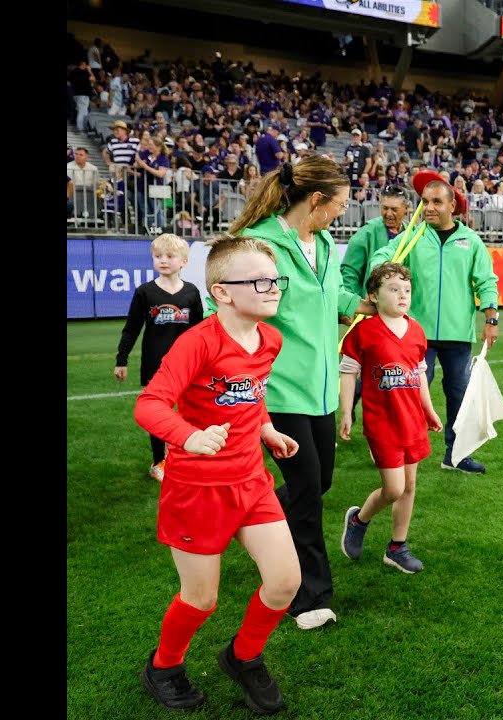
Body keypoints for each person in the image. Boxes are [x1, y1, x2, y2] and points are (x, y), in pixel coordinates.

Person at [133, 235, 301, 714]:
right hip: (197, 489)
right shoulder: (197, 343)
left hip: (251, 480)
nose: (273, 289)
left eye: (276, 281)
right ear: (223, 292)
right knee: (201, 599)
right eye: (261, 281)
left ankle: (244, 658)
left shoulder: (271, 338)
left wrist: (266, 428)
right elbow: (150, 404)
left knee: (285, 582)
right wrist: (187, 436)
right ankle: (163, 665)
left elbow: (250, 392)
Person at [227, 155, 367, 630]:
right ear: (317, 200)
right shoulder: (261, 245)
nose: (343, 213)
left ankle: (254, 521)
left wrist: (362, 304)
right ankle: (307, 597)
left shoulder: (324, 241)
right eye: (341, 204)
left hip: (322, 390)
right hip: (279, 391)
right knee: (309, 494)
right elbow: (222, 300)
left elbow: (329, 299)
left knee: (319, 483)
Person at [368, 172, 498, 474]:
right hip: (416, 335)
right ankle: (398, 452)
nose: (429, 207)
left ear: (452, 206)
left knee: (459, 396)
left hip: (458, 335)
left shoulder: (471, 242)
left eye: (437, 202)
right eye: (425, 202)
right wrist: (380, 265)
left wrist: (491, 317)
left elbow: (486, 281)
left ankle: (456, 455)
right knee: (408, 394)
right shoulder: (413, 236)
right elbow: (387, 254)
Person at [338, 262, 443, 574]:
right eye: (393, 289)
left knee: (410, 485)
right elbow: (348, 372)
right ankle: (359, 520)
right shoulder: (363, 332)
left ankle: (397, 547)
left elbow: (420, 374)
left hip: (412, 420)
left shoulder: (416, 331)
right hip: (382, 421)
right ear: (373, 295)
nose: (402, 296)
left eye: (406, 290)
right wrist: (346, 411)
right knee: (394, 488)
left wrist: (429, 409)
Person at [114, 233, 205, 481]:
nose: (163, 260)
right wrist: (121, 360)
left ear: (183, 261)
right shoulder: (145, 292)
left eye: (169, 256)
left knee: (189, 411)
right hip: (155, 363)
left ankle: (185, 455)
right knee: (159, 413)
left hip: (188, 364)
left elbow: (200, 331)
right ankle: (159, 462)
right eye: (157, 256)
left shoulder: (191, 293)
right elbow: (132, 328)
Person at [339, 185, 411, 420]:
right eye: (384, 208)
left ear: (407, 210)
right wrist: (350, 306)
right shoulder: (366, 234)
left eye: (394, 209)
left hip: (397, 315)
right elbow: (350, 271)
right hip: (369, 312)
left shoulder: (413, 234)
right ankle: (352, 410)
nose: (388, 213)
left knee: (390, 369)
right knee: (364, 367)